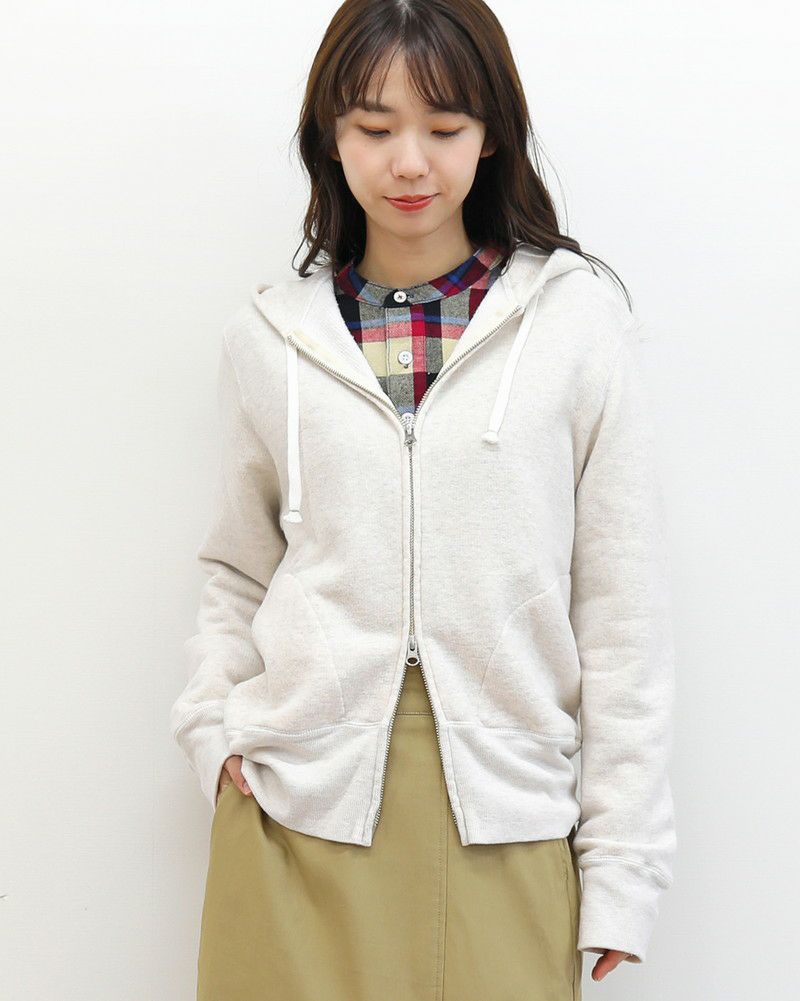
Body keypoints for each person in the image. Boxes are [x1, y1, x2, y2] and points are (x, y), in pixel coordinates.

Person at [169, 2, 677, 998]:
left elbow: (622, 610)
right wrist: (213, 729)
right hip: (290, 813)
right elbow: (237, 567)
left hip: (505, 815)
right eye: (374, 127)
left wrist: (621, 865)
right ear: (330, 136)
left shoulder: (576, 327)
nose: (410, 163)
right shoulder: (268, 338)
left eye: (444, 128)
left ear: (491, 135)